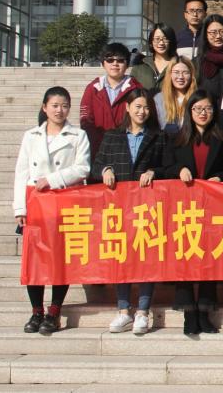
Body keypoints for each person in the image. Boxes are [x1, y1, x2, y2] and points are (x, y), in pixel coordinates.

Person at [14, 87, 90, 336]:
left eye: (64, 105)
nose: (59, 110)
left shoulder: (78, 135)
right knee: (34, 260)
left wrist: (53, 179)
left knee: (60, 259)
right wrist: (19, 207)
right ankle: (36, 311)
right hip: (36, 203)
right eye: (55, 105)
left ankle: (54, 311)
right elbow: (22, 172)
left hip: (63, 201)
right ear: (44, 107)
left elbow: (83, 168)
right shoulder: (31, 136)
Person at [90, 88, 166, 336]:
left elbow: (168, 167)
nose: (142, 112)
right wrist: (105, 170)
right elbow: (96, 165)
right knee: (120, 256)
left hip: (147, 207)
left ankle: (143, 311)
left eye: (146, 107)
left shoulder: (158, 137)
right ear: (127, 108)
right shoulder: (112, 136)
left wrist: (154, 172)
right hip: (118, 207)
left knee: (146, 257)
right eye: (138, 107)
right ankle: (124, 310)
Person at [161, 89, 223, 335]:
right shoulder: (176, 138)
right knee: (185, 257)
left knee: (208, 258)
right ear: (189, 111)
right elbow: (165, 168)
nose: (203, 113)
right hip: (184, 208)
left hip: (212, 207)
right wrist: (179, 170)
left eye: (208, 108)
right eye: (198, 109)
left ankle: (204, 311)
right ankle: (189, 313)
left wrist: (220, 177)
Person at [80, 42, 143, 158]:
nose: (115, 64)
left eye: (120, 60)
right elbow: (86, 122)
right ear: (103, 63)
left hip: (128, 153)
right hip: (99, 151)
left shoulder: (136, 88)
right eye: (110, 60)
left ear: (127, 64)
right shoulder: (93, 89)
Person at [195, 14, 223, 98]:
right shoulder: (197, 63)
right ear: (205, 35)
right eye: (213, 32)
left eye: (222, 31)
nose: (218, 36)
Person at [130, 23, 177, 92]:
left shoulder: (178, 65)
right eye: (157, 39)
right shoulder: (140, 65)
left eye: (165, 39)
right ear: (151, 42)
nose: (161, 43)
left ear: (171, 41)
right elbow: (131, 92)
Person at [155, 57, 197, 134]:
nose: (180, 77)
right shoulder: (159, 99)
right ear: (170, 74)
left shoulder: (197, 98)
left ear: (191, 75)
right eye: (176, 72)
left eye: (185, 72)